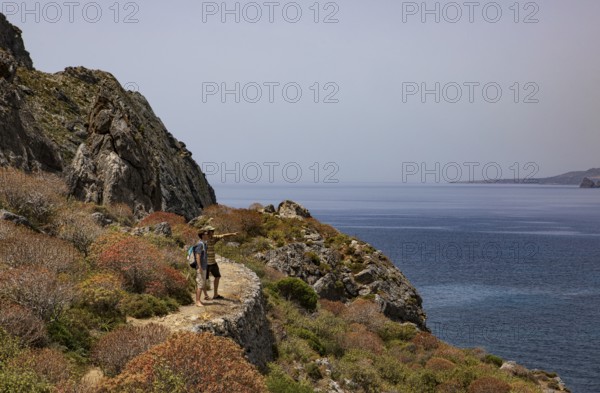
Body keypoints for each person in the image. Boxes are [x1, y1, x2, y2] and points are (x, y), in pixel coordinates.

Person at [203, 226, 238, 300]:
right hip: (205, 263)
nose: (213, 232)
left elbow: (223, 235)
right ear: (208, 232)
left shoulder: (214, 238)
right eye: (212, 231)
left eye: (213, 231)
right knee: (204, 279)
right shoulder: (203, 240)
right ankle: (205, 295)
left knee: (217, 276)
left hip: (213, 262)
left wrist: (233, 234)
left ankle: (215, 295)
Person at [194, 232, 210, 306]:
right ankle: (197, 301)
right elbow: (198, 256)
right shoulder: (200, 244)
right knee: (200, 284)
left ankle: (202, 298)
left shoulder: (204, 243)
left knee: (202, 283)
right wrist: (199, 267)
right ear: (203, 236)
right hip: (201, 267)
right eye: (206, 234)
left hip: (204, 266)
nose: (208, 235)